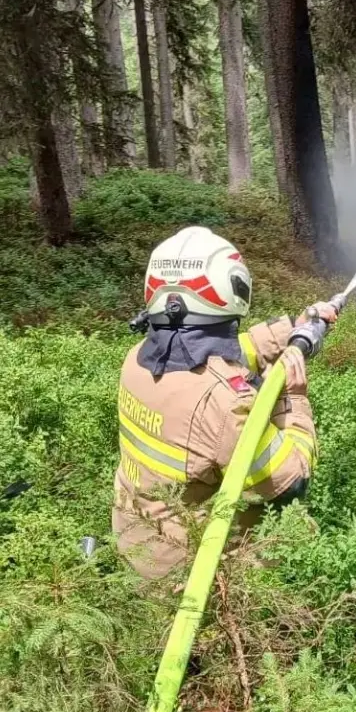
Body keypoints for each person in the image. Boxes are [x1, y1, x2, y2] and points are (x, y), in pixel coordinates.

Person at [113, 226, 337, 579]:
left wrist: (292, 328)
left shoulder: (138, 359)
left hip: (137, 541)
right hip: (185, 571)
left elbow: (218, 357)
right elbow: (292, 483)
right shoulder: (226, 405)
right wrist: (292, 397)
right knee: (295, 526)